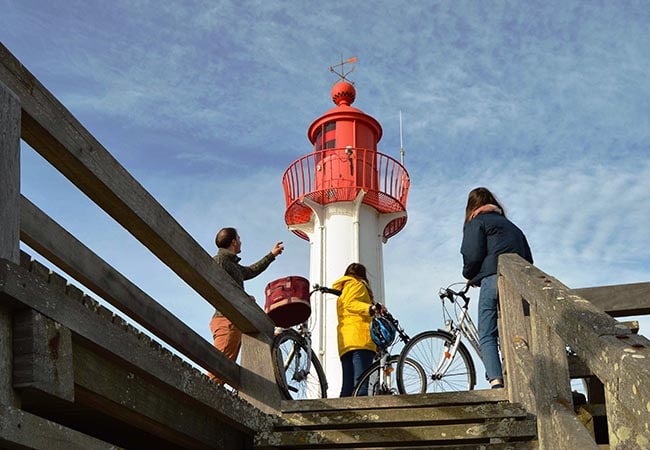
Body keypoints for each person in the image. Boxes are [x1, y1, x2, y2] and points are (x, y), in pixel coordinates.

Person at [460, 187, 533, 389]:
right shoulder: (513, 227)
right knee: (518, 329)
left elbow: (473, 254)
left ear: (472, 206)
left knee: (487, 332)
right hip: (519, 284)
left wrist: (469, 275)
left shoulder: (477, 221)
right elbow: (528, 259)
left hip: (493, 281)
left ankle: (496, 382)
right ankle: (525, 380)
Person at [210, 227, 284, 369]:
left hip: (234, 320)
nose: (241, 241)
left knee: (227, 367)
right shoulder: (220, 260)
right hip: (226, 319)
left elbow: (250, 271)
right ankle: (201, 391)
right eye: (239, 238)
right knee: (220, 368)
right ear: (233, 242)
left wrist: (272, 255)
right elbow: (222, 286)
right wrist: (245, 298)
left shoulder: (231, 263)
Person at [331, 263, 384, 397]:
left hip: (346, 341)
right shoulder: (358, 285)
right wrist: (370, 308)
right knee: (361, 383)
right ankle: (361, 415)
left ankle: (341, 415)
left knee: (347, 385)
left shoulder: (343, 291)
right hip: (360, 338)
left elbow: (348, 305)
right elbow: (352, 304)